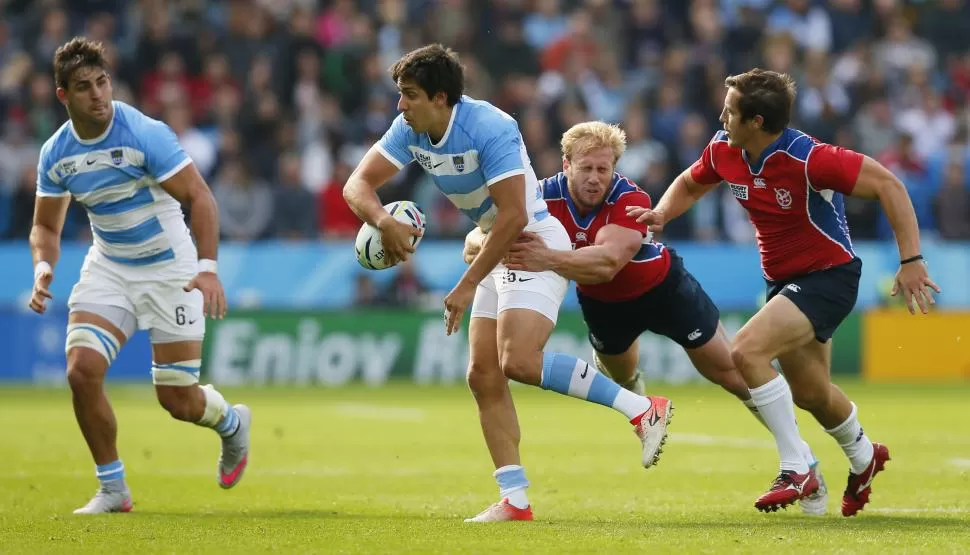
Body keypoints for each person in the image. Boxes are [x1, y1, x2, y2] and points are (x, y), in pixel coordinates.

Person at [342, 44, 672, 523]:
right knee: (482, 375)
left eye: (409, 95)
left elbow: (516, 214)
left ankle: (643, 408)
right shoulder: (408, 129)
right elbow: (357, 184)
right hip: (493, 239)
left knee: (517, 360)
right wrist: (383, 221)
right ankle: (515, 499)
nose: (400, 105)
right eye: (399, 95)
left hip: (529, 237)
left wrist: (464, 285)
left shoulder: (489, 126)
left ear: (440, 97)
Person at [464, 121, 828, 516]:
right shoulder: (536, 198)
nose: (594, 178)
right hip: (604, 306)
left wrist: (544, 258)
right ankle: (641, 407)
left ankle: (801, 460)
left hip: (663, 290)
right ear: (565, 164)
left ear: (615, 169)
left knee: (730, 373)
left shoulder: (629, 198)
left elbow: (606, 263)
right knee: (620, 377)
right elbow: (476, 239)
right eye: (585, 168)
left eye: (603, 170)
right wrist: (487, 242)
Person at [627, 68, 940, 516]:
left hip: (829, 276)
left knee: (746, 352)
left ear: (756, 122)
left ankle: (797, 467)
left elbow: (889, 185)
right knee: (811, 393)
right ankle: (864, 457)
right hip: (783, 282)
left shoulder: (808, 157)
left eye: (730, 111)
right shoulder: (724, 148)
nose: (721, 117)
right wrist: (662, 213)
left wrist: (911, 260)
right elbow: (693, 182)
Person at [28, 38, 251, 514]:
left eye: (103, 82)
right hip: (108, 266)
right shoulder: (56, 153)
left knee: (178, 400)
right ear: (63, 96)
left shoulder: (143, 132)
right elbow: (46, 225)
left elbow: (201, 198)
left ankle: (231, 423)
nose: (99, 95)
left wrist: (208, 270)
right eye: (84, 87)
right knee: (81, 372)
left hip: (170, 269)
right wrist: (44, 267)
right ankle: (113, 488)